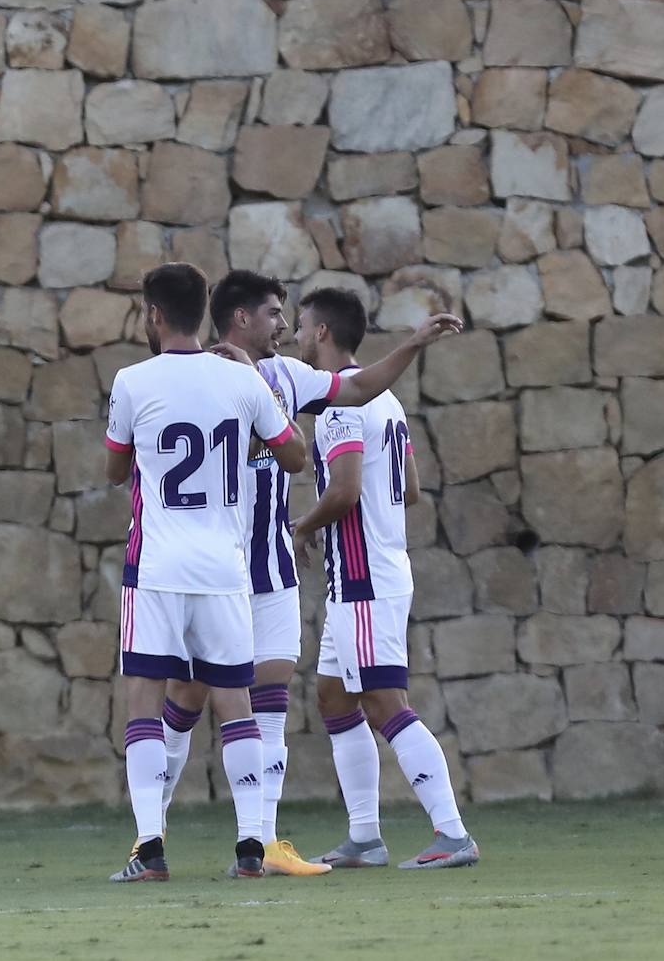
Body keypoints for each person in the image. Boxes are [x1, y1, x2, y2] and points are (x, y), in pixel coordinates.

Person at [141, 271, 463, 876]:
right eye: (272, 314)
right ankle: (148, 837)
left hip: (278, 572)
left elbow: (360, 386)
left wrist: (413, 345)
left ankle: (260, 846)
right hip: (217, 572)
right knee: (186, 701)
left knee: (271, 704)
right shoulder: (202, 375)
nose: (285, 326)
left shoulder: (289, 377)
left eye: (287, 315)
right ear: (240, 319)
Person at [103, 263, 309, 882]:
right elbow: (295, 454)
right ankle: (251, 845)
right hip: (225, 569)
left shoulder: (132, 381)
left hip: (157, 569)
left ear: (154, 315)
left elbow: (115, 472)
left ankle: (150, 848)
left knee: (144, 702)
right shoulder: (239, 380)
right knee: (236, 706)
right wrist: (254, 397)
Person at [290, 288, 479, 870]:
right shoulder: (387, 400)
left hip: (365, 577)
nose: (296, 335)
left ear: (321, 333)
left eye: (301, 325)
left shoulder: (341, 406)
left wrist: (302, 525)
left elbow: (344, 491)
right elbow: (412, 489)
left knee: (384, 701)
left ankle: (452, 834)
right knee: (332, 694)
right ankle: (365, 837)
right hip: (370, 572)